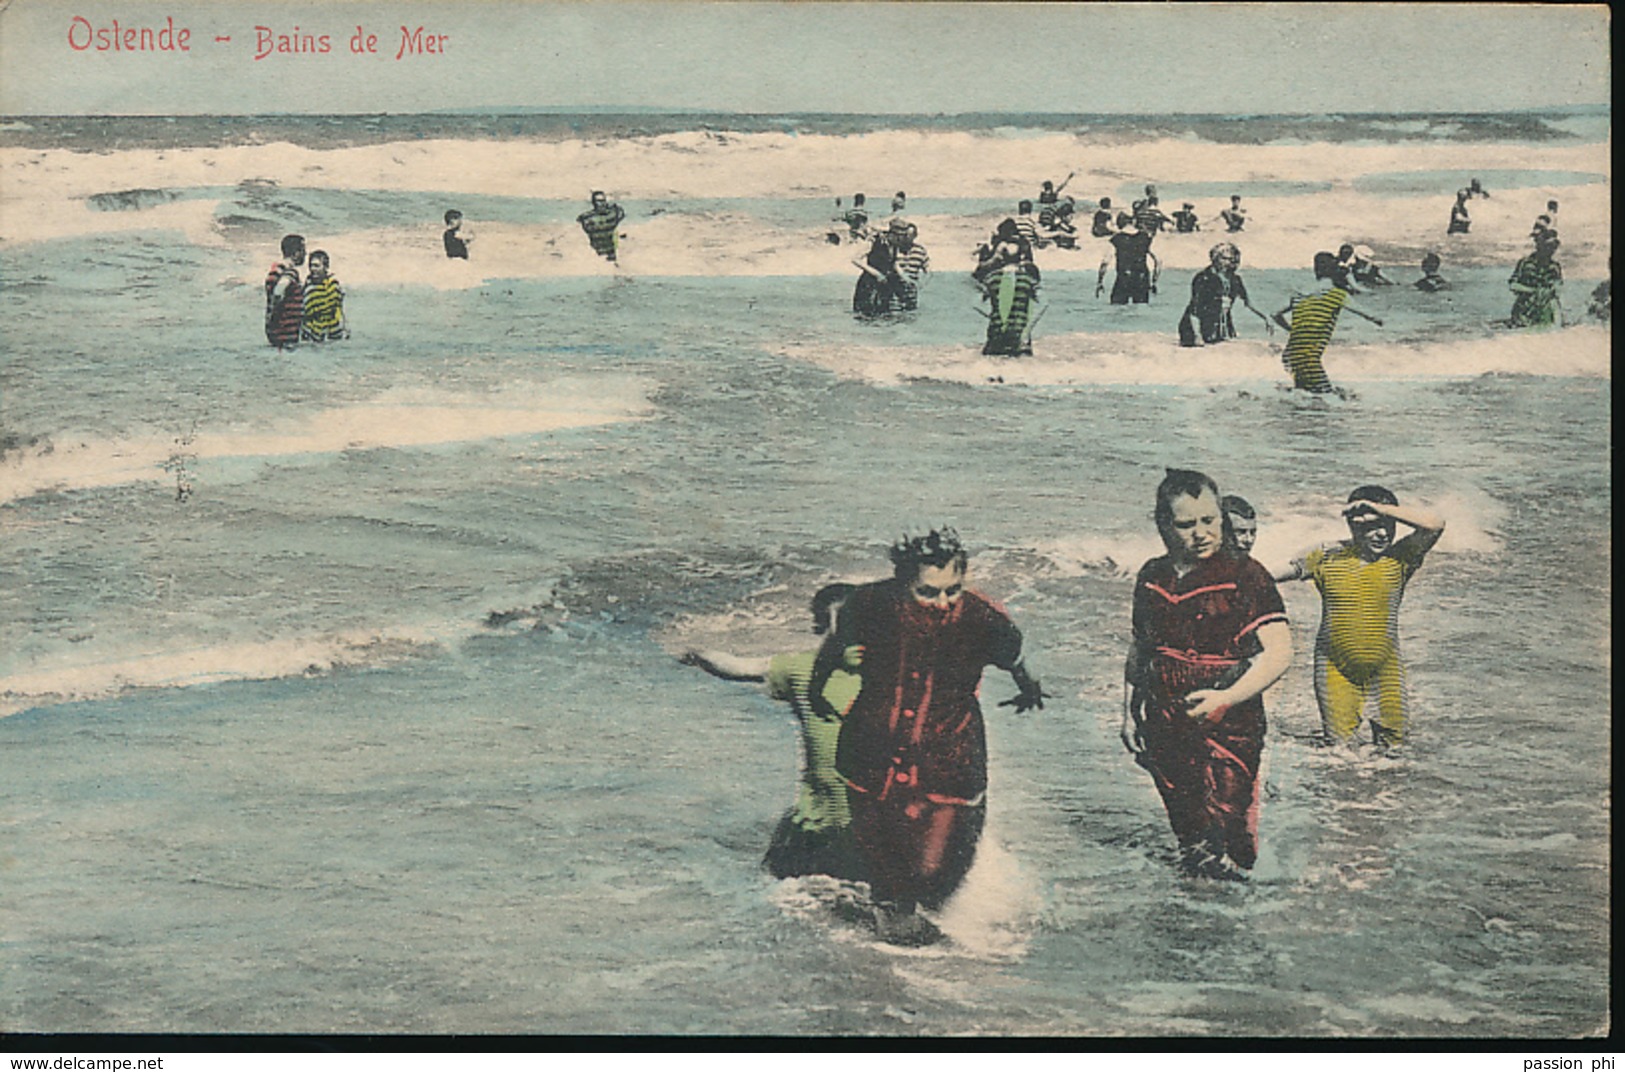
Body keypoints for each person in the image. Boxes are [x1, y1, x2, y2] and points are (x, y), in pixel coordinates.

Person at [808, 529, 1045, 944]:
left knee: (935, 876)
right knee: (885, 869)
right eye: (927, 593)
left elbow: (1017, 662)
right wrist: (817, 689)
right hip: (871, 749)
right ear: (903, 581)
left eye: (952, 590)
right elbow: (832, 648)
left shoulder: (984, 617)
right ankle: (895, 953)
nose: (942, 603)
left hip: (950, 755)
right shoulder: (868, 605)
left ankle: (933, 940)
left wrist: (1031, 691)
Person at [1123, 470, 1291, 881]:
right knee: (1190, 829)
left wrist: (1225, 698)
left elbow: (1280, 653)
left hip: (1231, 720)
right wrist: (1127, 712)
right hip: (1164, 716)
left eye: (1209, 520)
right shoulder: (1151, 575)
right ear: (1163, 524)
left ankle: (1236, 912)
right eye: (1187, 524)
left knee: (1228, 828)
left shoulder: (1246, 575)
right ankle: (1197, 923)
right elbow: (1140, 648)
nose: (1202, 533)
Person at [681, 584, 865, 881]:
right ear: (823, 629)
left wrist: (697, 655)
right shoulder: (801, 668)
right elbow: (740, 668)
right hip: (823, 824)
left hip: (840, 826)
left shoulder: (900, 673)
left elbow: (740, 668)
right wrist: (697, 655)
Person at [1275, 487, 1444, 749]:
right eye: (1373, 526)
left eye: (1388, 525)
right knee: (1340, 754)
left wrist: (1380, 510)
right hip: (1335, 667)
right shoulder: (1325, 555)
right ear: (1353, 526)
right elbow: (1265, 576)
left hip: (1384, 668)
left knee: (1395, 751)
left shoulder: (1401, 558)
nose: (1382, 533)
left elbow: (1435, 525)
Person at [1273, 252, 1382, 393]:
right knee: (1329, 398)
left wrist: (1291, 330)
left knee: (1304, 394)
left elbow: (1274, 314)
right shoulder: (1338, 295)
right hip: (1309, 358)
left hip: (1290, 355)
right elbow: (1373, 317)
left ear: (1315, 270)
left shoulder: (1299, 294)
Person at [1178, 241, 1273, 346]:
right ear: (1215, 258)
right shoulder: (1203, 278)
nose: (1229, 262)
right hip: (1196, 328)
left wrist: (1266, 317)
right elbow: (1194, 311)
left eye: (1232, 259)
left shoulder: (1235, 280)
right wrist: (1197, 336)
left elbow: (1249, 303)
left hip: (1222, 326)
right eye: (1224, 259)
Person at [977, 220, 1040, 356]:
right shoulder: (1027, 274)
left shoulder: (993, 275)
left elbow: (978, 278)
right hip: (1021, 326)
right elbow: (1042, 301)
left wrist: (991, 315)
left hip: (997, 327)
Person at [1507, 228, 1564, 328]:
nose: (1551, 250)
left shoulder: (1555, 267)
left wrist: (1551, 290)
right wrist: (1533, 291)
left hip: (1545, 307)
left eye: (1554, 247)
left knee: (1553, 303)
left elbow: (1558, 287)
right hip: (1525, 308)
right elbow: (1513, 285)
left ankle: (1557, 328)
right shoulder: (1525, 263)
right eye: (1548, 247)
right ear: (1539, 246)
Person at [1096, 213, 1159, 305]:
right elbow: (1158, 261)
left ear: (1119, 224)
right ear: (1133, 222)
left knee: (1117, 309)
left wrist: (1100, 282)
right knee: (1140, 309)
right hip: (1142, 278)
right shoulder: (1145, 238)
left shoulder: (1116, 239)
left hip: (1124, 278)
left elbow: (1105, 262)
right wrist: (1154, 281)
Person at [852, 218, 907, 318]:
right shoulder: (874, 241)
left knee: (884, 315)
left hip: (883, 284)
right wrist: (876, 273)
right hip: (868, 284)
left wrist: (903, 275)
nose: (900, 240)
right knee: (865, 316)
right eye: (899, 237)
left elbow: (892, 262)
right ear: (892, 234)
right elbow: (855, 259)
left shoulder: (894, 245)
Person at [264, 233, 305, 350]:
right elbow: (278, 291)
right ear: (296, 254)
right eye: (303, 251)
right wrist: (276, 315)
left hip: (275, 331)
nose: (305, 255)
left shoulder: (275, 270)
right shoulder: (290, 272)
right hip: (286, 331)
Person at [299, 250, 349, 342]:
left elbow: (339, 309)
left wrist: (345, 329)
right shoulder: (308, 289)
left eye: (317, 266)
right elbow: (303, 315)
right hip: (313, 334)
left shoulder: (334, 284)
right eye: (311, 265)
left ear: (326, 267)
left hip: (334, 330)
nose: (313, 269)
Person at [577, 191, 627, 262]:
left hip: (611, 254)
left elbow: (621, 213)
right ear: (594, 203)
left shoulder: (612, 214)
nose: (602, 204)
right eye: (599, 201)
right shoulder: (587, 218)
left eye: (603, 201)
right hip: (596, 256)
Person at [892, 222, 931, 311]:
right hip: (894, 291)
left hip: (911, 292)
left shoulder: (920, 250)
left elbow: (928, 270)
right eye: (905, 235)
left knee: (910, 316)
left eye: (910, 235)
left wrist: (921, 284)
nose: (907, 238)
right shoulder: (894, 249)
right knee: (894, 315)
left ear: (915, 236)